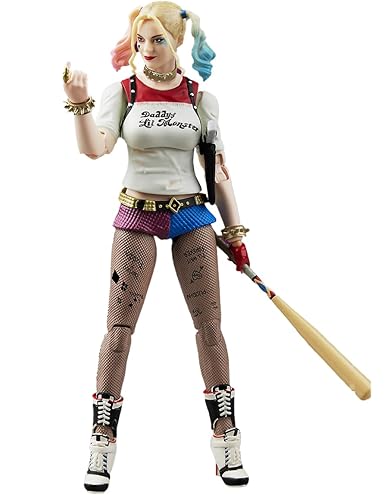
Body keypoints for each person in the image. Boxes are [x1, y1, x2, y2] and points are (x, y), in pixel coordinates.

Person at [63, 1, 250, 490]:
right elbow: (95, 148)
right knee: (118, 329)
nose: (146, 49)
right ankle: (102, 438)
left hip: (191, 216)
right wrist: (80, 105)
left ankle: (225, 434)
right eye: (140, 40)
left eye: (157, 40)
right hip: (137, 215)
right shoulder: (123, 91)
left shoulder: (200, 99)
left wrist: (235, 233)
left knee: (210, 327)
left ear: (176, 41)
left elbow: (217, 171)